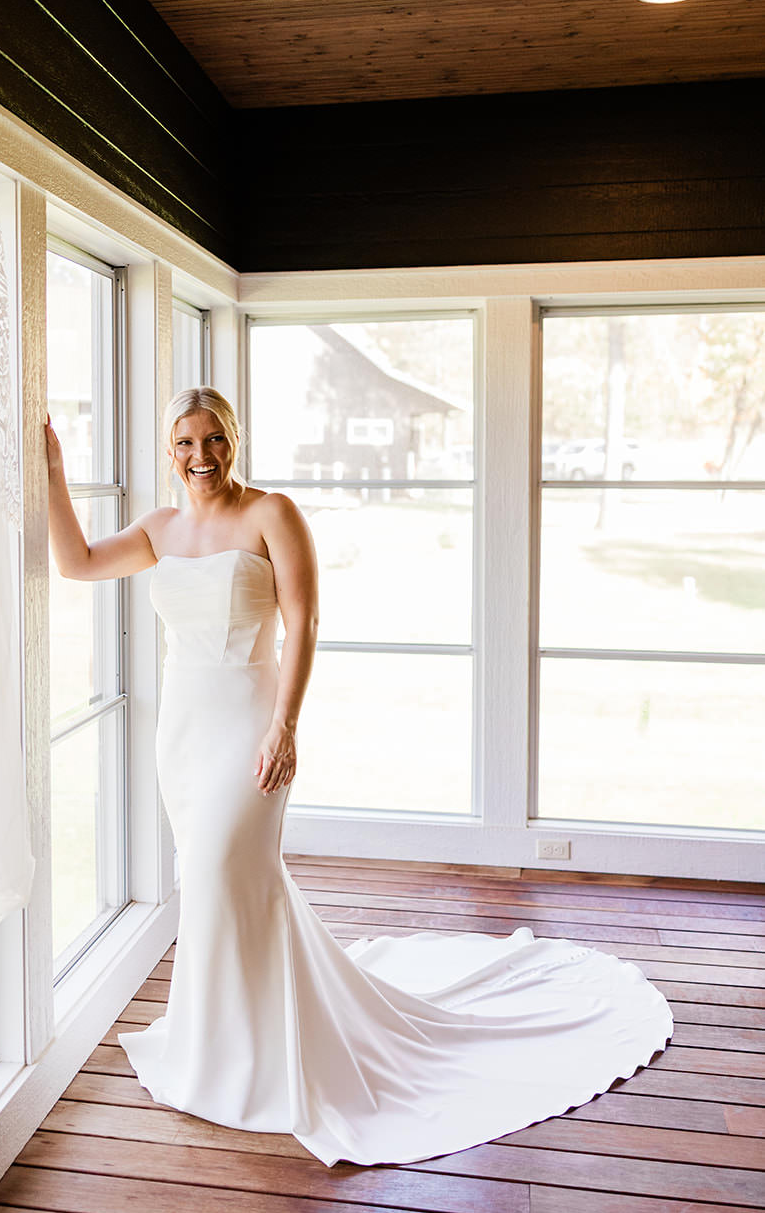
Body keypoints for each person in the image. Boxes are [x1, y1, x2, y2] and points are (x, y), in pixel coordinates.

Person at [46, 386, 673, 1168]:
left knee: (219, 866)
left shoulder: (271, 513)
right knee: (215, 881)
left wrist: (284, 723)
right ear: (166, 450)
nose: (200, 458)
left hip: (249, 717)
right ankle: (220, 1041)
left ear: (233, 440)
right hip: (184, 725)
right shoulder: (158, 529)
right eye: (184, 444)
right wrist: (49, 465)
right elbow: (74, 563)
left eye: (213, 440)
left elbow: (304, 619)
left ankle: (253, 1053)